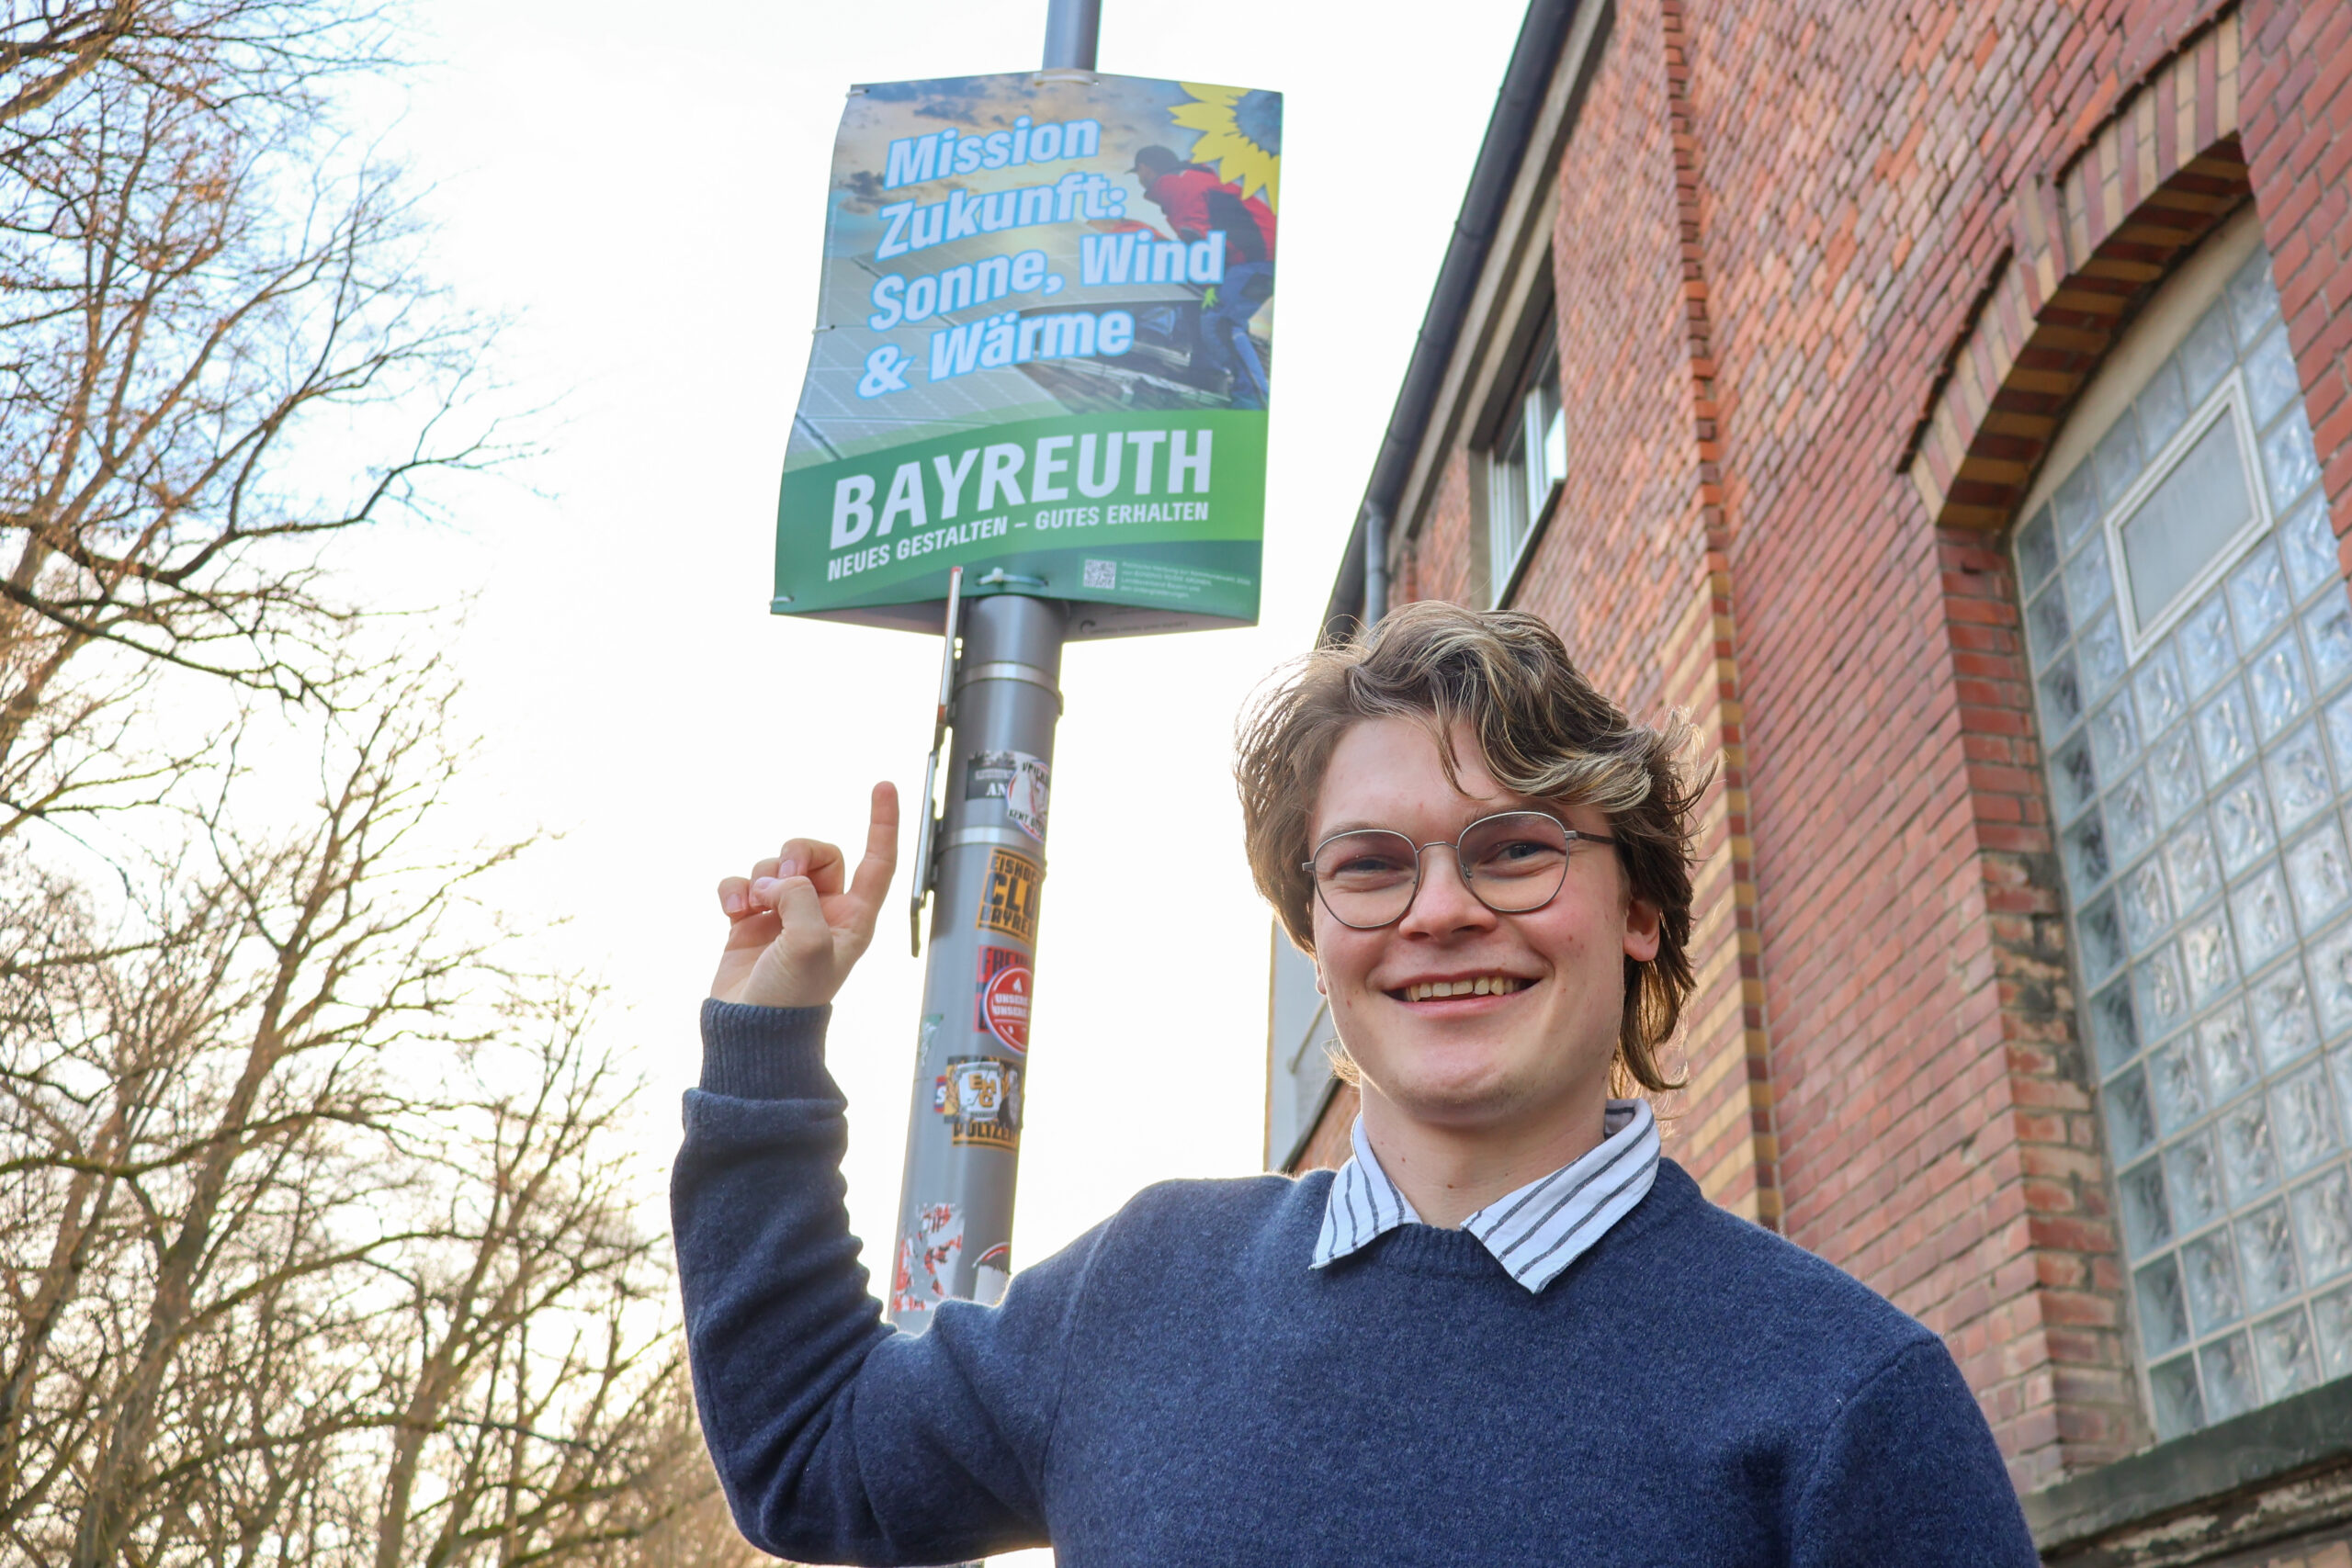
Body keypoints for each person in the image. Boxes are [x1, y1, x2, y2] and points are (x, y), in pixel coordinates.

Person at [673, 601, 2041, 1566]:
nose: (1438, 909)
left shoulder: (1851, 1397)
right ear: (1317, 936)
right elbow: (808, 1448)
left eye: (1514, 848)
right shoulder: (1141, 1289)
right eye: (1372, 864)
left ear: (1637, 908)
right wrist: (763, 1041)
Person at [1131, 142, 1274, 409]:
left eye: (1139, 173)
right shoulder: (1192, 180)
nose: (1140, 179)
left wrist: (1208, 282)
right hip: (1249, 258)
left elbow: (1198, 234)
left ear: (1145, 169)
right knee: (1201, 303)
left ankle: (1253, 400)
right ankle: (1207, 374)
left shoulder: (1174, 185)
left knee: (1220, 321)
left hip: (1255, 259)